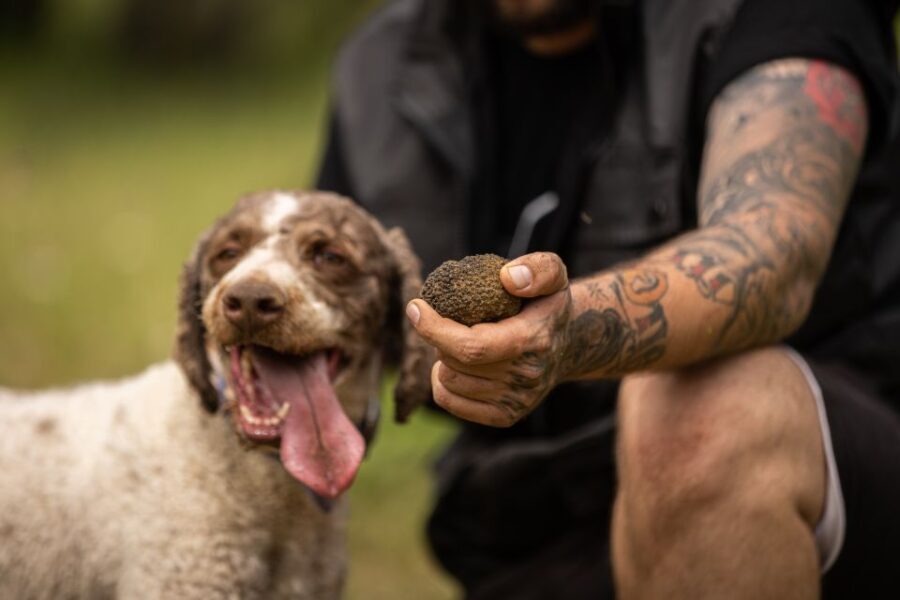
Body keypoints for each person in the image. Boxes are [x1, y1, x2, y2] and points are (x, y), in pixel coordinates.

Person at [317, 0, 900, 597]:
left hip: (835, 479)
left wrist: (570, 329)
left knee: (704, 412)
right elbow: (328, 309)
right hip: (537, 523)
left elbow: (772, 252)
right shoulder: (381, 67)